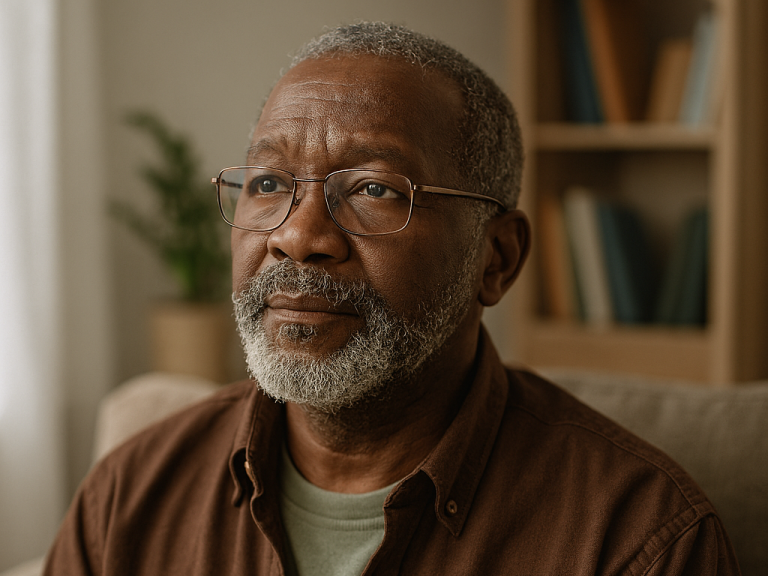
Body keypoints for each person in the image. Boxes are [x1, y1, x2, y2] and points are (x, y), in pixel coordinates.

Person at [44, 22, 740, 576]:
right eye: (268, 183)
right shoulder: (128, 499)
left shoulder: (639, 539)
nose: (298, 237)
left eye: (374, 189)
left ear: (495, 260)